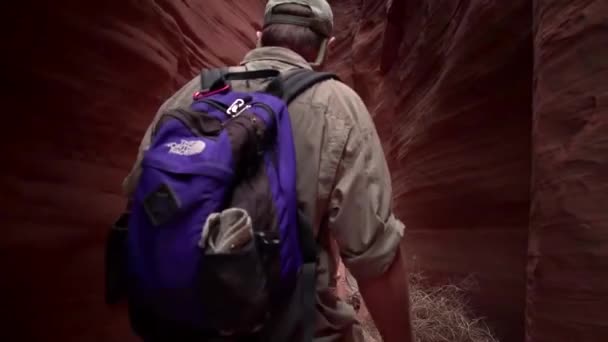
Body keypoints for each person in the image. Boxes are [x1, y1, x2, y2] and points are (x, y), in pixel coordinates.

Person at [122, 1, 414, 341]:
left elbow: (137, 200)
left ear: (259, 37)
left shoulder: (189, 96)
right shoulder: (336, 104)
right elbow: (375, 257)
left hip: (176, 324)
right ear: (326, 48)